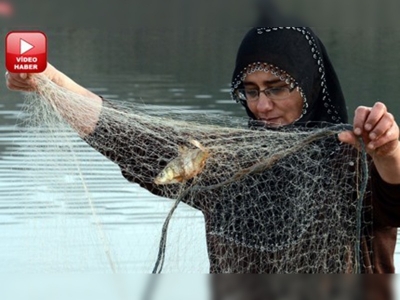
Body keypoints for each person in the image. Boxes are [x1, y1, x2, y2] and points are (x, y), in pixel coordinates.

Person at [5, 27, 400, 275]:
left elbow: (394, 201)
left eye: (278, 87)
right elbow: (127, 136)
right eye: (250, 90)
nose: (262, 105)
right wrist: (49, 80)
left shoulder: (354, 160)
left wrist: (388, 150)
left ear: (311, 86)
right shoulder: (223, 164)